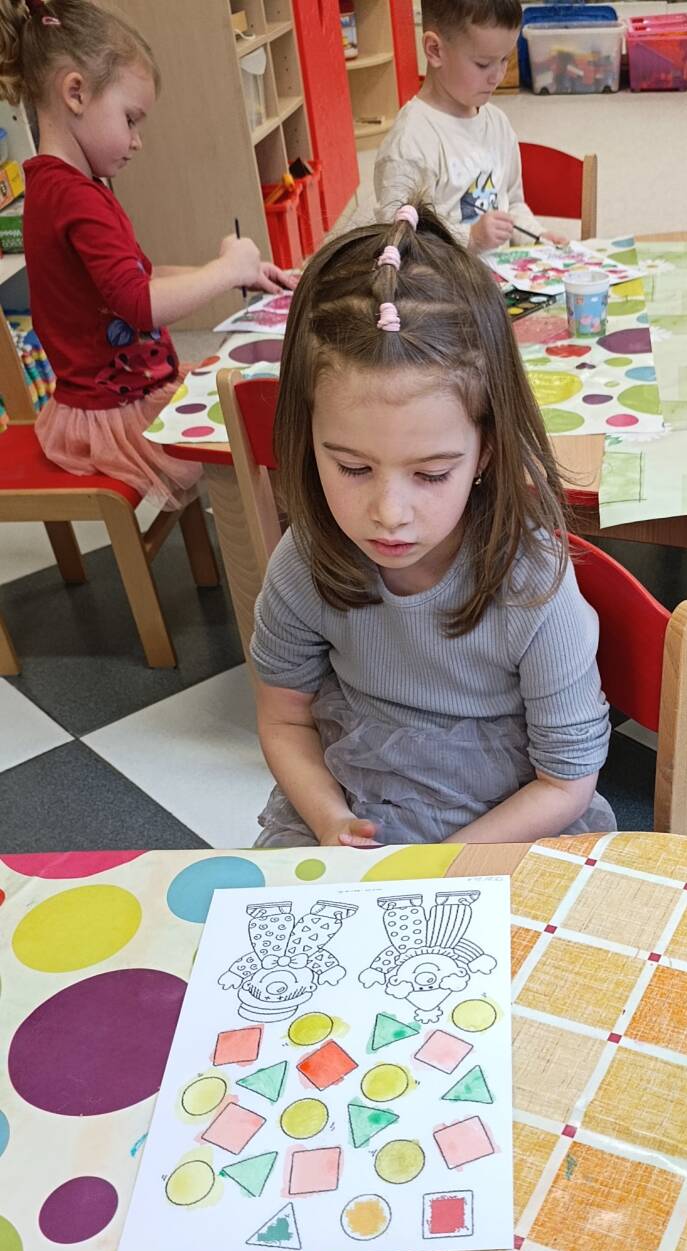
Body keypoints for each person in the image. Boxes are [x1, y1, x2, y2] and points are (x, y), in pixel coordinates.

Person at [250, 203, 615, 849]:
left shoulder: (535, 589)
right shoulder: (304, 562)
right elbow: (283, 721)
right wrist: (330, 819)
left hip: (507, 822)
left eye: (431, 474)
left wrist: (440, 866)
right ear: (308, 440)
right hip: (355, 800)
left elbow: (565, 782)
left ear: (487, 451)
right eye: (353, 467)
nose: (389, 512)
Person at [0, 0, 296, 510]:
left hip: (122, 393)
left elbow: (137, 277)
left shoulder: (65, 186)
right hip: (116, 412)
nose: (137, 141)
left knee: (250, 405)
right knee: (255, 428)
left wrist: (231, 275)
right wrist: (226, 268)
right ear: (76, 93)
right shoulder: (73, 196)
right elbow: (140, 304)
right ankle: (273, 543)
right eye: (131, 119)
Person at [374, 0, 559, 252]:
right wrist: (470, 238)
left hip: (501, 273)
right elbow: (398, 241)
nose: (497, 76)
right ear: (434, 50)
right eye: (483, 64)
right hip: (442, 276)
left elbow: (512, 205)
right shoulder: (409, 144)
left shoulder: (498, 124)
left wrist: (538, 236)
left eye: (504, 59)